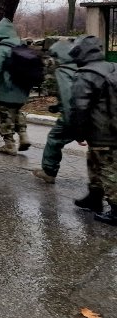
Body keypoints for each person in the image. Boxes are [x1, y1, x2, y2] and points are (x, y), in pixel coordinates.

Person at [67, 35, 117, 225]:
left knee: (107, 168)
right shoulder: (114, 67)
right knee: (95, 162)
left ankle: (116, 209)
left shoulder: (85, 75)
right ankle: (94, 197)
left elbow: (79, 108)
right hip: (110, 127)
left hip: (102, 132)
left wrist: (78, 133)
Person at [32, 40, 77, 183]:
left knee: (54, 139)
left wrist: (72, 122)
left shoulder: (63, 71)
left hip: (73, 116)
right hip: (91, 113)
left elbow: (68, 95)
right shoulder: (78, 66)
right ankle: (98, 186)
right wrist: (57, 107)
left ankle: (49, 171)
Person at [0, 18, 31, 156]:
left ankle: (9, 144)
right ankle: (23, 136)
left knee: (4, 115)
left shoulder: (0, 48)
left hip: (5, 89)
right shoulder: (22, 45)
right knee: (17, 111)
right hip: (22, 89)